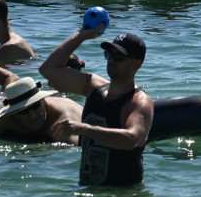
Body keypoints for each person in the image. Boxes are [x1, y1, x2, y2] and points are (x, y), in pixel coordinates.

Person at [39, 29, 153, 185]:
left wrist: (84, 129)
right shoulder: (93, 87)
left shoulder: (139, 102)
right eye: (109, 54)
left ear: (136, 64)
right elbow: (47, 70)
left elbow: (130, 139)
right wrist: (81, 35)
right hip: (88, 189)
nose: (112, 60)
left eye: (119, 56)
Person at [0, 76, 83, 145]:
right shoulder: (7, 116)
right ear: (14, 113)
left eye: (36, 106)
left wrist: (37, 151)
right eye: (23, 111)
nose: (32, 115)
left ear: (43, 100)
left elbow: (76, 148)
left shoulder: (62, 120)